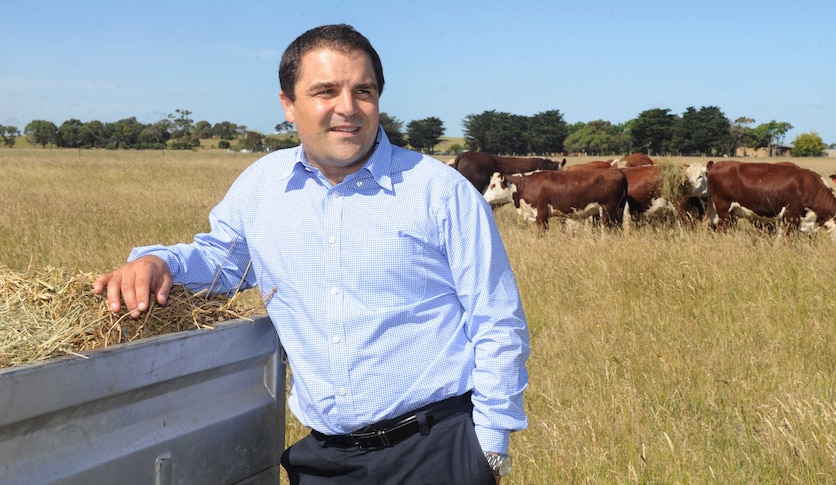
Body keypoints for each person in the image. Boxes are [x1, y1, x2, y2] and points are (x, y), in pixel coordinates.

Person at [93, 23, 529, 484]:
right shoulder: (262, 186)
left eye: (364, 90)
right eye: (326, 91)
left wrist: (490, 446)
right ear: (288, 105)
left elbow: (497, 318)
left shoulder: (439, 191)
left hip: (436, 452)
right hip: (325, 461)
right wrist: (158, 262)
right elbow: (220, 262)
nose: (348, 108)